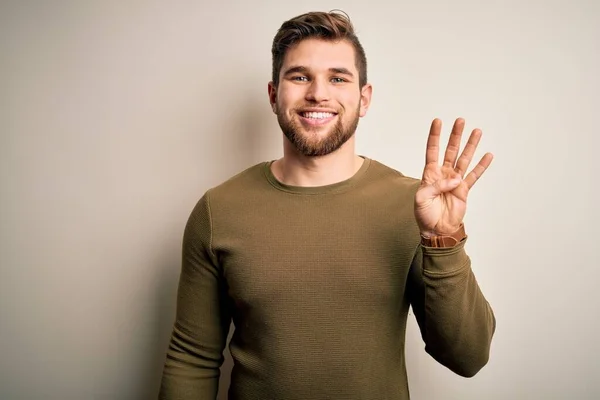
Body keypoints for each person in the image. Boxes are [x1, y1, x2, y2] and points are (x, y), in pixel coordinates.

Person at [159, 10, 496, 400]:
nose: (318, 93)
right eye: (300, 76)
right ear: (273, 95)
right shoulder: (218, 210)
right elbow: (192, 359)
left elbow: (468, 357)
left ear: (363, 98)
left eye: (338, 78)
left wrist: (443, 239)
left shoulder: (414, 206)